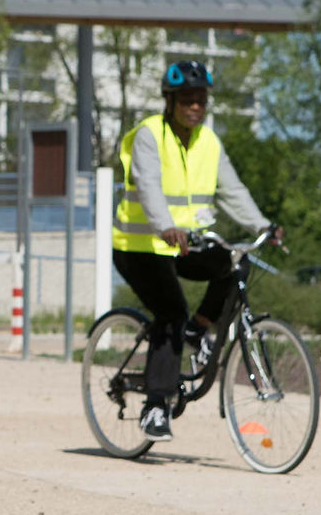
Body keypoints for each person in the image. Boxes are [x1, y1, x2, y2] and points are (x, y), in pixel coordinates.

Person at [112, 60, 272, 441]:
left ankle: (199, 331)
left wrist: (264, 226)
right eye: (187, 99)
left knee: (234, 264)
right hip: (140, 246)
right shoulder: (149, 135)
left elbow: (232, 191)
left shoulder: (208, 142)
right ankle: (155, 406)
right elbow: (148, 185)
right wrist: (165, 225)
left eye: (201, 99)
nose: (195, 106)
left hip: (185, 244)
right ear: (170, 100)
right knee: (170, 311)